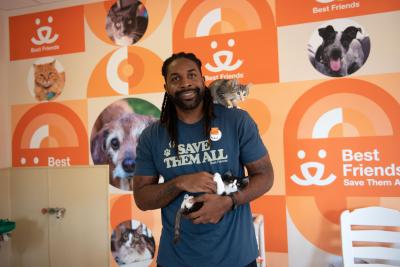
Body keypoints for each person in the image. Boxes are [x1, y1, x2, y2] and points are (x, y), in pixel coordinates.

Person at [133, 52, 274, 267]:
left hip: (236, 258)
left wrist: (230, 202)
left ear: (202, 80)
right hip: (177, 260)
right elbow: (142, 198)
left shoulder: (236, 121)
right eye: (175, 78)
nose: (185, 83)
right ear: (166, 88)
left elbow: (265, 175)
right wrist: (179, 182)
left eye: (192, 75)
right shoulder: (152, 136)